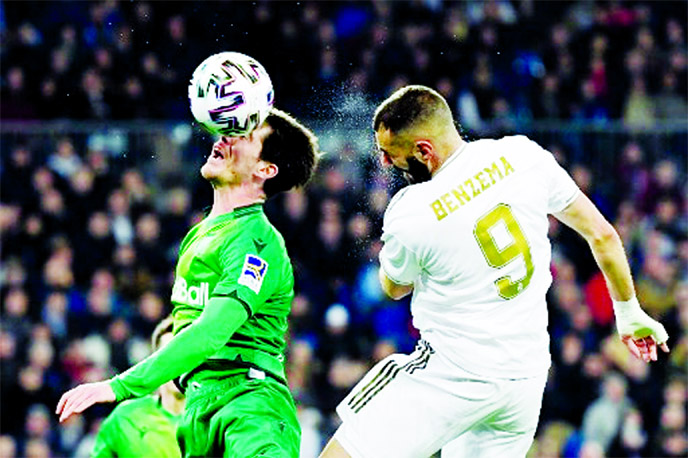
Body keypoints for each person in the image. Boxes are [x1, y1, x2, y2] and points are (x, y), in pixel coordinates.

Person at [319, 85, 670, 458]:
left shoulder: (411, 209)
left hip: (452, 375)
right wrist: (629, 313)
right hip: (523, 382)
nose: (388, 164)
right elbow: (601, 235)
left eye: (393, 154)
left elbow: (394, 288)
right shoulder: (523, 155)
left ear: (425, 150)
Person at [57, 107, 320, 458]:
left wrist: (120, 386)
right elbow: (185, 328)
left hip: (249, 408)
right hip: (197, 415)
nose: (226, 137)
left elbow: (210, 332)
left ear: (265, 170)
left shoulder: (257, 241)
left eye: (244, 135)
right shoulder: (199, 235)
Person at [91, 316, 185, 458]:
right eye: (169, 357)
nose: (178, 366)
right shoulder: (126, 417)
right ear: (154, 365)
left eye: (185, 356)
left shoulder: (217, 422)